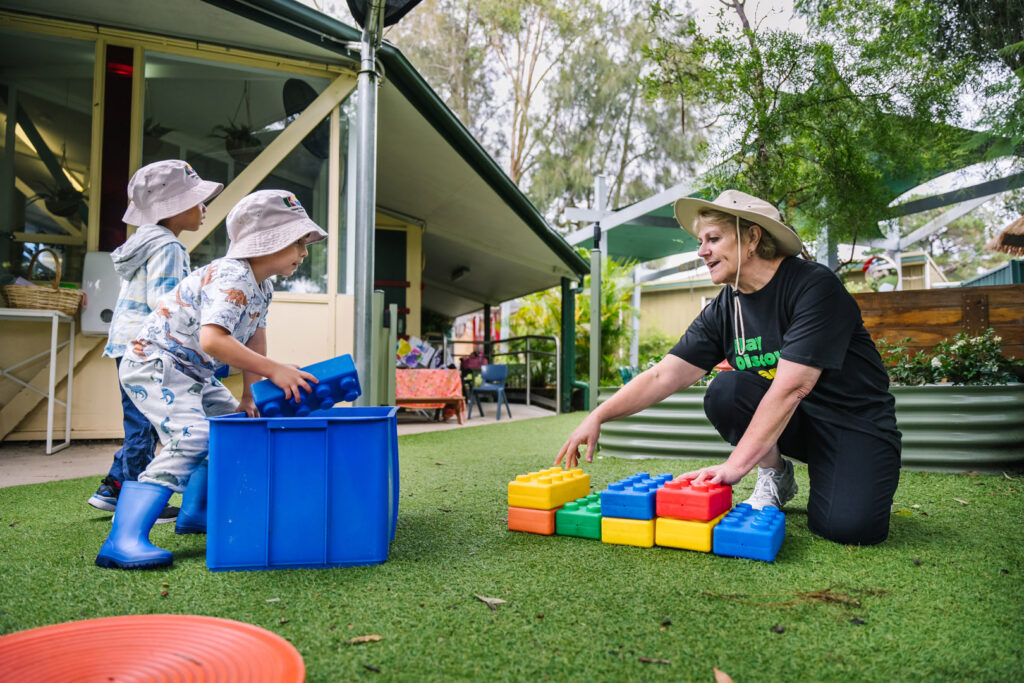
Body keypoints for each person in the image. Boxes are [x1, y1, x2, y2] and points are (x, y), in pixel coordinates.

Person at [556, 190, 901, 546]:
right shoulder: (726, 306)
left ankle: (846, 474)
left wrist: (734, 467)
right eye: (701, 240)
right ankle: (776, 474)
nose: (701, 250)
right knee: (727, 391)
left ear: (753, 237)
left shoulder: (814, 287)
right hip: (797, 423)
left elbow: (791, 386)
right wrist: (598, 415)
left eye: (714, 239)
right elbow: (665, 374)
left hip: (854, 424)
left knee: (848, 528)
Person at [95, 189, 328, 569]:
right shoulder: (232, 276)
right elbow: (213, 340)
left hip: (191, 371)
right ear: (265, 242)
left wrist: (250, 395)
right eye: (298, 243)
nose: (304, 253)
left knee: (233, 425)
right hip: (155, 362)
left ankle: (195, 514)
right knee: (194, 435)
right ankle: (122, 540)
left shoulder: (262, 285)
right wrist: (276, 371)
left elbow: (255, 338)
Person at [88, 160, 223, 522]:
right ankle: (138, 495)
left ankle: (113, 488)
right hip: (149, 348)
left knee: (140, 420)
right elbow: (165, 304)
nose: (204, 208)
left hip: (126, 342)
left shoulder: (143, 243)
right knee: (145, 423)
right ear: (174, 208)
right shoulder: (170, 248)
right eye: (197, 201)